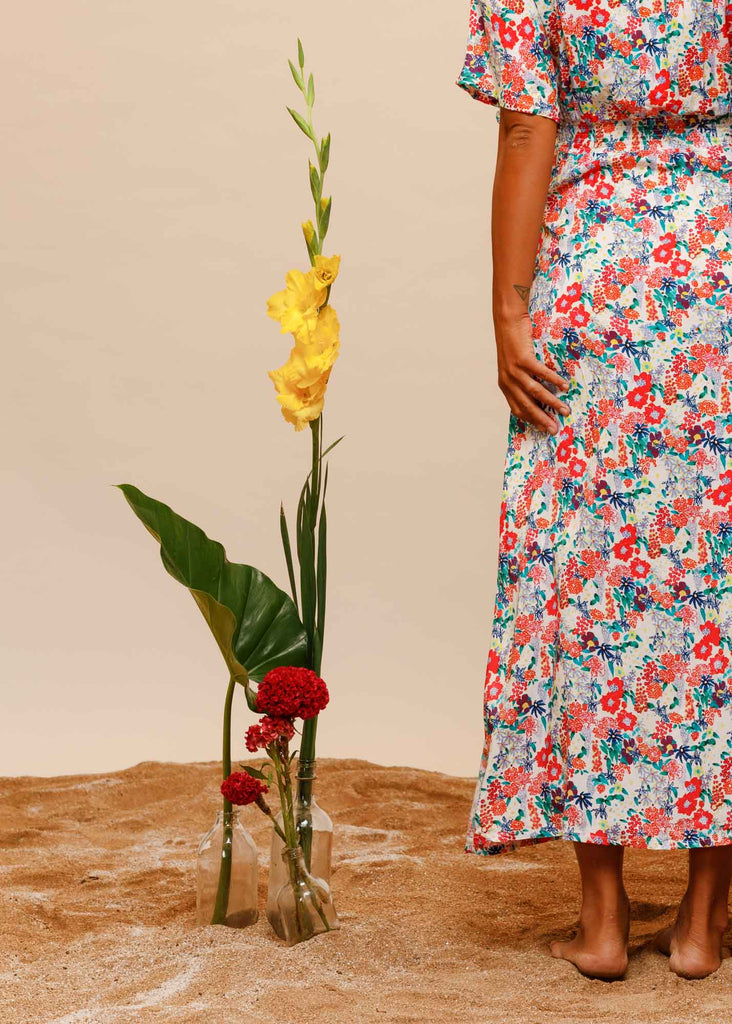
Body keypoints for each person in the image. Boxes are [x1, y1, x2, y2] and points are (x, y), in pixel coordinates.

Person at [456, 0, 732, 981]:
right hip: (717, 271)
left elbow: (525, 126)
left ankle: (602, 920)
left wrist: (509, 309)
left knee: (590, 577)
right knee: (716, 582)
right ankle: (704, 921)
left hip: (594, 274)